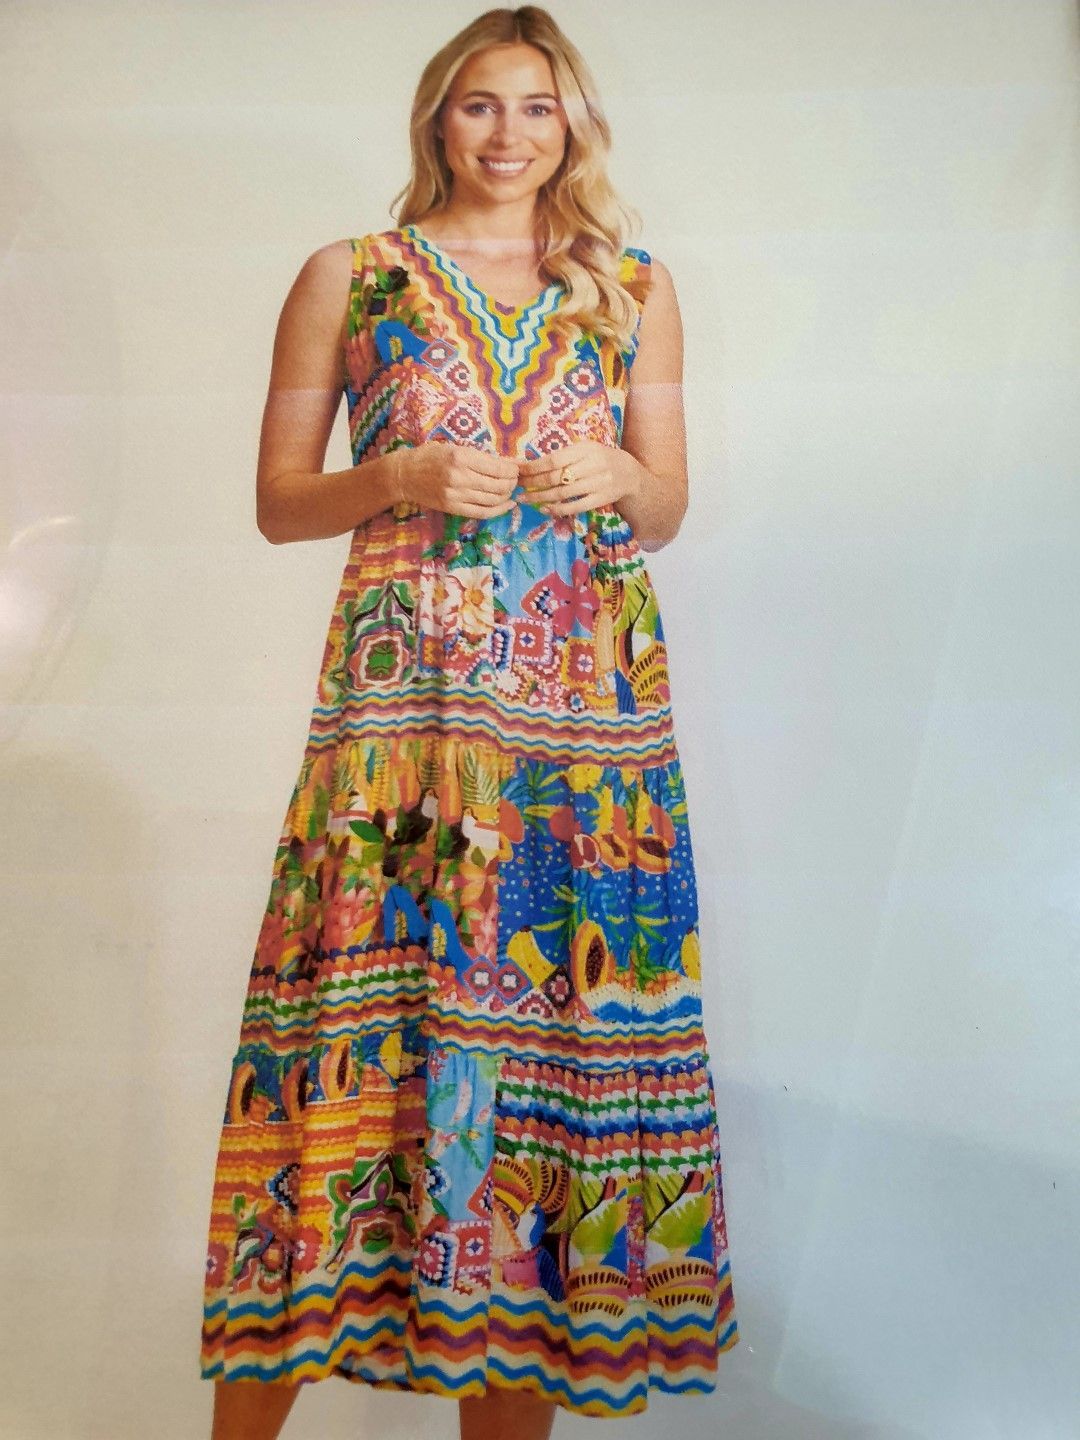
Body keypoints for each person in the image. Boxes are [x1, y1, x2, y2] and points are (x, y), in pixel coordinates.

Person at [200, 7, 739, 1438]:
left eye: (538, 110)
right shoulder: (351, 275)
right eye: (479, 107)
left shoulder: (630, 284)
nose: (508, 136)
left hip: (582, 743)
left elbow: (669, 508)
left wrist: (624, 466)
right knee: (337, 1055)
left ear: (575, 127)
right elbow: (274, 503)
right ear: (437, 119)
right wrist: (400, 475)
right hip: (403, 730)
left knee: (546, 1081)